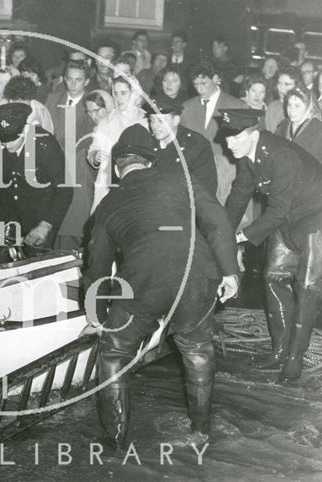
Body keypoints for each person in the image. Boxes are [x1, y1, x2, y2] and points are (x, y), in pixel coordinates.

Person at [84, 123, 238, 449]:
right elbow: (218, 220)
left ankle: (115, 442)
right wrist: (229, 272)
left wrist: (96, 318)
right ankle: (200, 433)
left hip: (142, 284)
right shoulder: (181, 179)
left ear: (117, 166)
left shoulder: (108, 205)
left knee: (113, 354)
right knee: (197, 352)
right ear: (151, 161)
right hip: (197, 277)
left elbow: (96, 268)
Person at [221, 108, 322, 382]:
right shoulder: (246, 155)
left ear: (254, 134)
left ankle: (294, 359)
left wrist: (240, 237)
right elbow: (239, 196)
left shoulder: (281, 155)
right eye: (227, 139)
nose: (229, 145)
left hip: (316, 217)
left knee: (307, 288)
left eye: (235, 138)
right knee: (272, 276)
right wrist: (223, 233)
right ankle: (279, 350)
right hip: (288, 217)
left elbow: (276, 211)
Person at [0, 103, 73, 254]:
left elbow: (64, 190)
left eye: (11, 141)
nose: (5, 146)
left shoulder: (45, 143)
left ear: (25, 131)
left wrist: (45, 226)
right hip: (5, 212)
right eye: (2, 141)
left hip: (40, 214)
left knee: (36, 266)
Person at [45, 60, 95, 249]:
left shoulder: (93, 102)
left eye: (78, 80)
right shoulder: (52, 98)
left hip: (78, 169)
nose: (73, 84)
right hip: (52, 167)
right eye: (69, 79)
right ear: (64, 79)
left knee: (74, 226)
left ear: (87, 81)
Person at [181, 61, 246, 204]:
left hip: (227, 177)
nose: (199, 89)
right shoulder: (186, 108)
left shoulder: (236, 106)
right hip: (195, 178)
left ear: (216, 79)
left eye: (203, 83)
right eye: (195, 84)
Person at [90, 75, 147, 212]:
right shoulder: (105, 122)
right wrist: (95, 156)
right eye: (115, 93)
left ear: (134, 94)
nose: (118, 98)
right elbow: (93, 151)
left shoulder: (146, 121)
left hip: (138, 184)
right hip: (107, 184)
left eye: (123, 93)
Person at [147, 96, 218, 195]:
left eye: (160, 120)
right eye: (152, 120)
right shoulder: (146, 143)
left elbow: (205, 191)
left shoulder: (197, 145)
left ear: (176, 120)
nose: (154, 125)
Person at [275, 86, 322, 163]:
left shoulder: (318, 129)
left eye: (297, 106)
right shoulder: (283, 125)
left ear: (309, 107)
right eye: (289, 105)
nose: (291, 110)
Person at [264, 67, 300, 133]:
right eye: (279, 83)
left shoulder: (302, 109)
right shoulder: (272, 106)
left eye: (287, 84)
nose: (282, 88)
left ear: (297, 86)